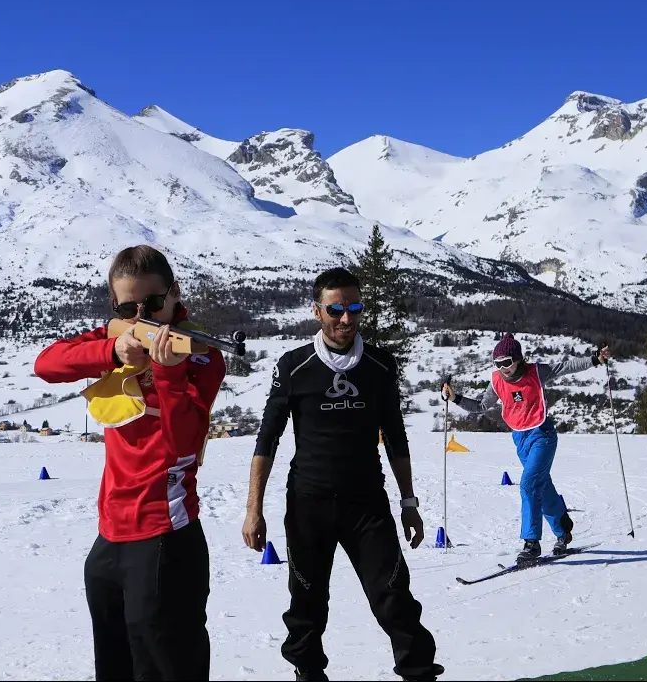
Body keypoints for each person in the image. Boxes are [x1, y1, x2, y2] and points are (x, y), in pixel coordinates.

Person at [34, 244, 226, 681]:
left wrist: (169, 373)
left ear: (174, 294)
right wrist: (111, 351)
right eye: (127, 308)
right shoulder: (116, 338)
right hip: (110, 536)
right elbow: (46, 364)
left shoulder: (200, 355)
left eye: (153, 303)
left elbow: (185, 442)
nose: (142, 316)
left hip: (164, 533)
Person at [243, 267, 443, 682]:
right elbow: (268, 439)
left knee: (394, 599)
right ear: (317, 311)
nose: (346, 318)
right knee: (307, 606)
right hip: (309, 505)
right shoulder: (294, 366)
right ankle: (308, 674)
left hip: (367, 506)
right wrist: (253, 510)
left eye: (355, 308)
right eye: (336, 310)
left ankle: (419, 673)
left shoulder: (379, 365)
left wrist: (409, 503)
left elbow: (396, 437)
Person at [442, 332, 609, 563]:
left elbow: (565, 367)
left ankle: (531, 543)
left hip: (542, 436)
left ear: (518, 359)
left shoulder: (536, 372)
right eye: (498, 364)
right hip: (520, 439)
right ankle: (562, 528)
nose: (503, 368)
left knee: (529, 484)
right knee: (542, 485)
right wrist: (455, 398)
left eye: (507, 362)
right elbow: (481, 406)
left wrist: (595, 359)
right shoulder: (497, 381)